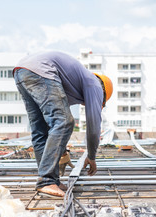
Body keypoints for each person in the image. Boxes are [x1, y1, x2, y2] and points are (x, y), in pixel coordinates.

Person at [13, 51, 113, 197]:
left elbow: (52, 124)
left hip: (21, 71)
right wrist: (91, 156)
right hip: (41, 70)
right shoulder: (96, 85)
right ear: (103, 94)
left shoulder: (75, 83)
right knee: (65, 122)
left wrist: (62, 151)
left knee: (40, 130)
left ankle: (50, 180)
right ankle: (46, 181)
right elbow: (93, 127)